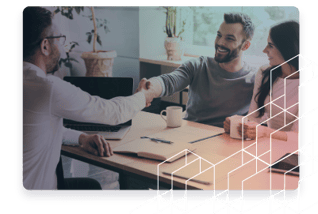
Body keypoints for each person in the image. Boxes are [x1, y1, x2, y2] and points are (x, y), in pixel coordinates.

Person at [22, 6, 155, 191]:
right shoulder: (46, 88)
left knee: (91, 186)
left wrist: (82, 138)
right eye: (59, 39)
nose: (62, 47)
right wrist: (143, 96)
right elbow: (112, 113)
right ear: (45, 46)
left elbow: (38, 131)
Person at [137, 13, 257, 128]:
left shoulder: (255, 79)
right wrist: (151, 88)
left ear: (245, 46)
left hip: (227, 143)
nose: (220, 42)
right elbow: (170, 81)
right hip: (191, 136)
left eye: (230, 39)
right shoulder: (199, 65)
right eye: (219, 35)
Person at [223, 21, 300, 141]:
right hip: (270, 149)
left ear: (287, 48)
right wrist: (237, 125)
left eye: (271, 45)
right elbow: (254, 117)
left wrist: (263, 131)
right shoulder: (265, 73)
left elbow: (299, 137)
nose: (265, 50)